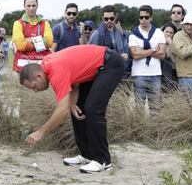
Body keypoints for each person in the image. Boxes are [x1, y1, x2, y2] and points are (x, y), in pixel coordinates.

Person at [21, 45, 124, 173]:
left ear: (38, 76)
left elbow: (61, 110)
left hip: (110, 64)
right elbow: (74, 79)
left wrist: (40, 132)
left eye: (34, 87)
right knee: (76, 108)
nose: (36, 91)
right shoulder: (46, 64)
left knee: (93, 109)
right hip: (97, 68)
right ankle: (87, 155)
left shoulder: (55, 71)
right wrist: (72, 103)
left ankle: (103, 160)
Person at [129, 5, 166, 109]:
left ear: (151, 17)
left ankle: (152, 126)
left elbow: (162, 54)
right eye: (141, 17)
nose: (143, 20)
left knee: (155, 108)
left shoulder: (158, 32)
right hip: (139, 74)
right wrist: (153, 50)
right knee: (139, 107)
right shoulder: (133, 34)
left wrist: (142, 51)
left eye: (146, 17)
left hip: (155, 74)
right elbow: (135, 55)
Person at [12, 0, 53, 72]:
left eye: (34, 5)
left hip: (41, 64)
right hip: (23, 66)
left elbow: (49, 42)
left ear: (37, 6)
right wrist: (40, 42)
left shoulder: (45, 23)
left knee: (43, 84)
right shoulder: (17, 23)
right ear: (24, 6)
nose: (31, 8)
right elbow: (20, 45)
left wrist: (29, 40)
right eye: (28, 6)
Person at [89, 5, 129, 78]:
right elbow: (92, 57)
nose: (109, 21)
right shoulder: (97, 34)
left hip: (120, 73)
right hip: (105, 75)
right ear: (102, 19)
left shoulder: (118, 32)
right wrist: (118, 57)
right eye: (106, 19)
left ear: (115, 18)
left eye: (112, 18)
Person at [160, 22, 178, 91]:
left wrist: (170, 44)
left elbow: (175, 61)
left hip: (171, 76)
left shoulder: (175, 45)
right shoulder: (157, 42)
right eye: (166, 32)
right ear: (163, 32)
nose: (168, 34)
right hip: (158, 75)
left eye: (171, 33)